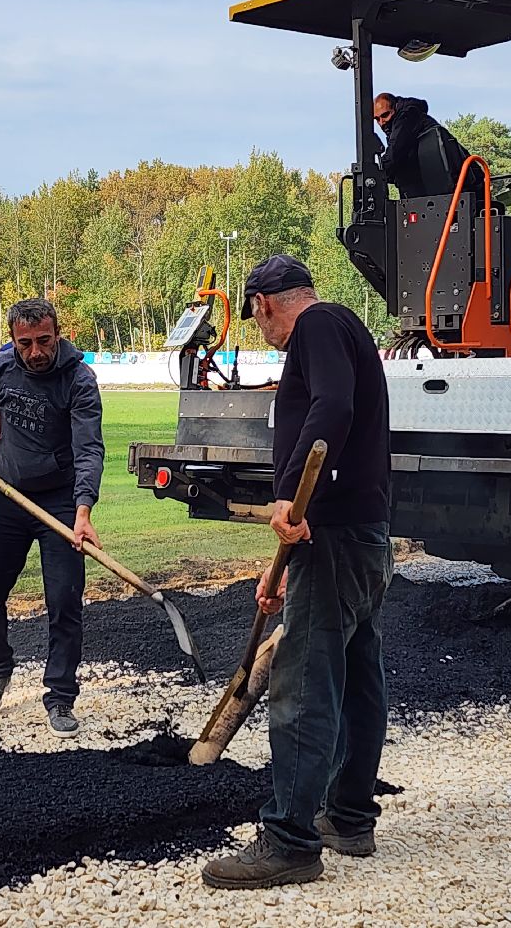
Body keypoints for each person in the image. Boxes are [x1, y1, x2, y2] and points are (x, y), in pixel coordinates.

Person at [202, 255, 392, 890]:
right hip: (356, 535)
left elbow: (331, 408)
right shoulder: (347, 329)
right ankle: (349, 817)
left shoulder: (316, 327)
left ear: (261, 304)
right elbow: (336, 409)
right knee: (359, 675)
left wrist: (288, 496)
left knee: (304, 684)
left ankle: (289, 840)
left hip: (331, 533)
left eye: (255, 317)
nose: (260, 330)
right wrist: (287, 559)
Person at [0, 298, 104, 737]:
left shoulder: (78, 380)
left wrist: (83, 511)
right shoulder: (1, 369)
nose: (35, 352)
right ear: (14, 340)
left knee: (64, 601)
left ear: (57, 334)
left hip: (59, 504)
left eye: (43, 341)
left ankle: (59, 696)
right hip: (8, 496)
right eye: (25, 343)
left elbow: (89, 450)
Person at [373, 92, 484, 200]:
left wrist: (374, 174)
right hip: (438, 193)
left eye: (385, 115)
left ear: (396, 108)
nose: (382, 122)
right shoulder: (400, 127)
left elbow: (395, 154)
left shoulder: (408, 117)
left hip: (464, 187)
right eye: (377, 119)